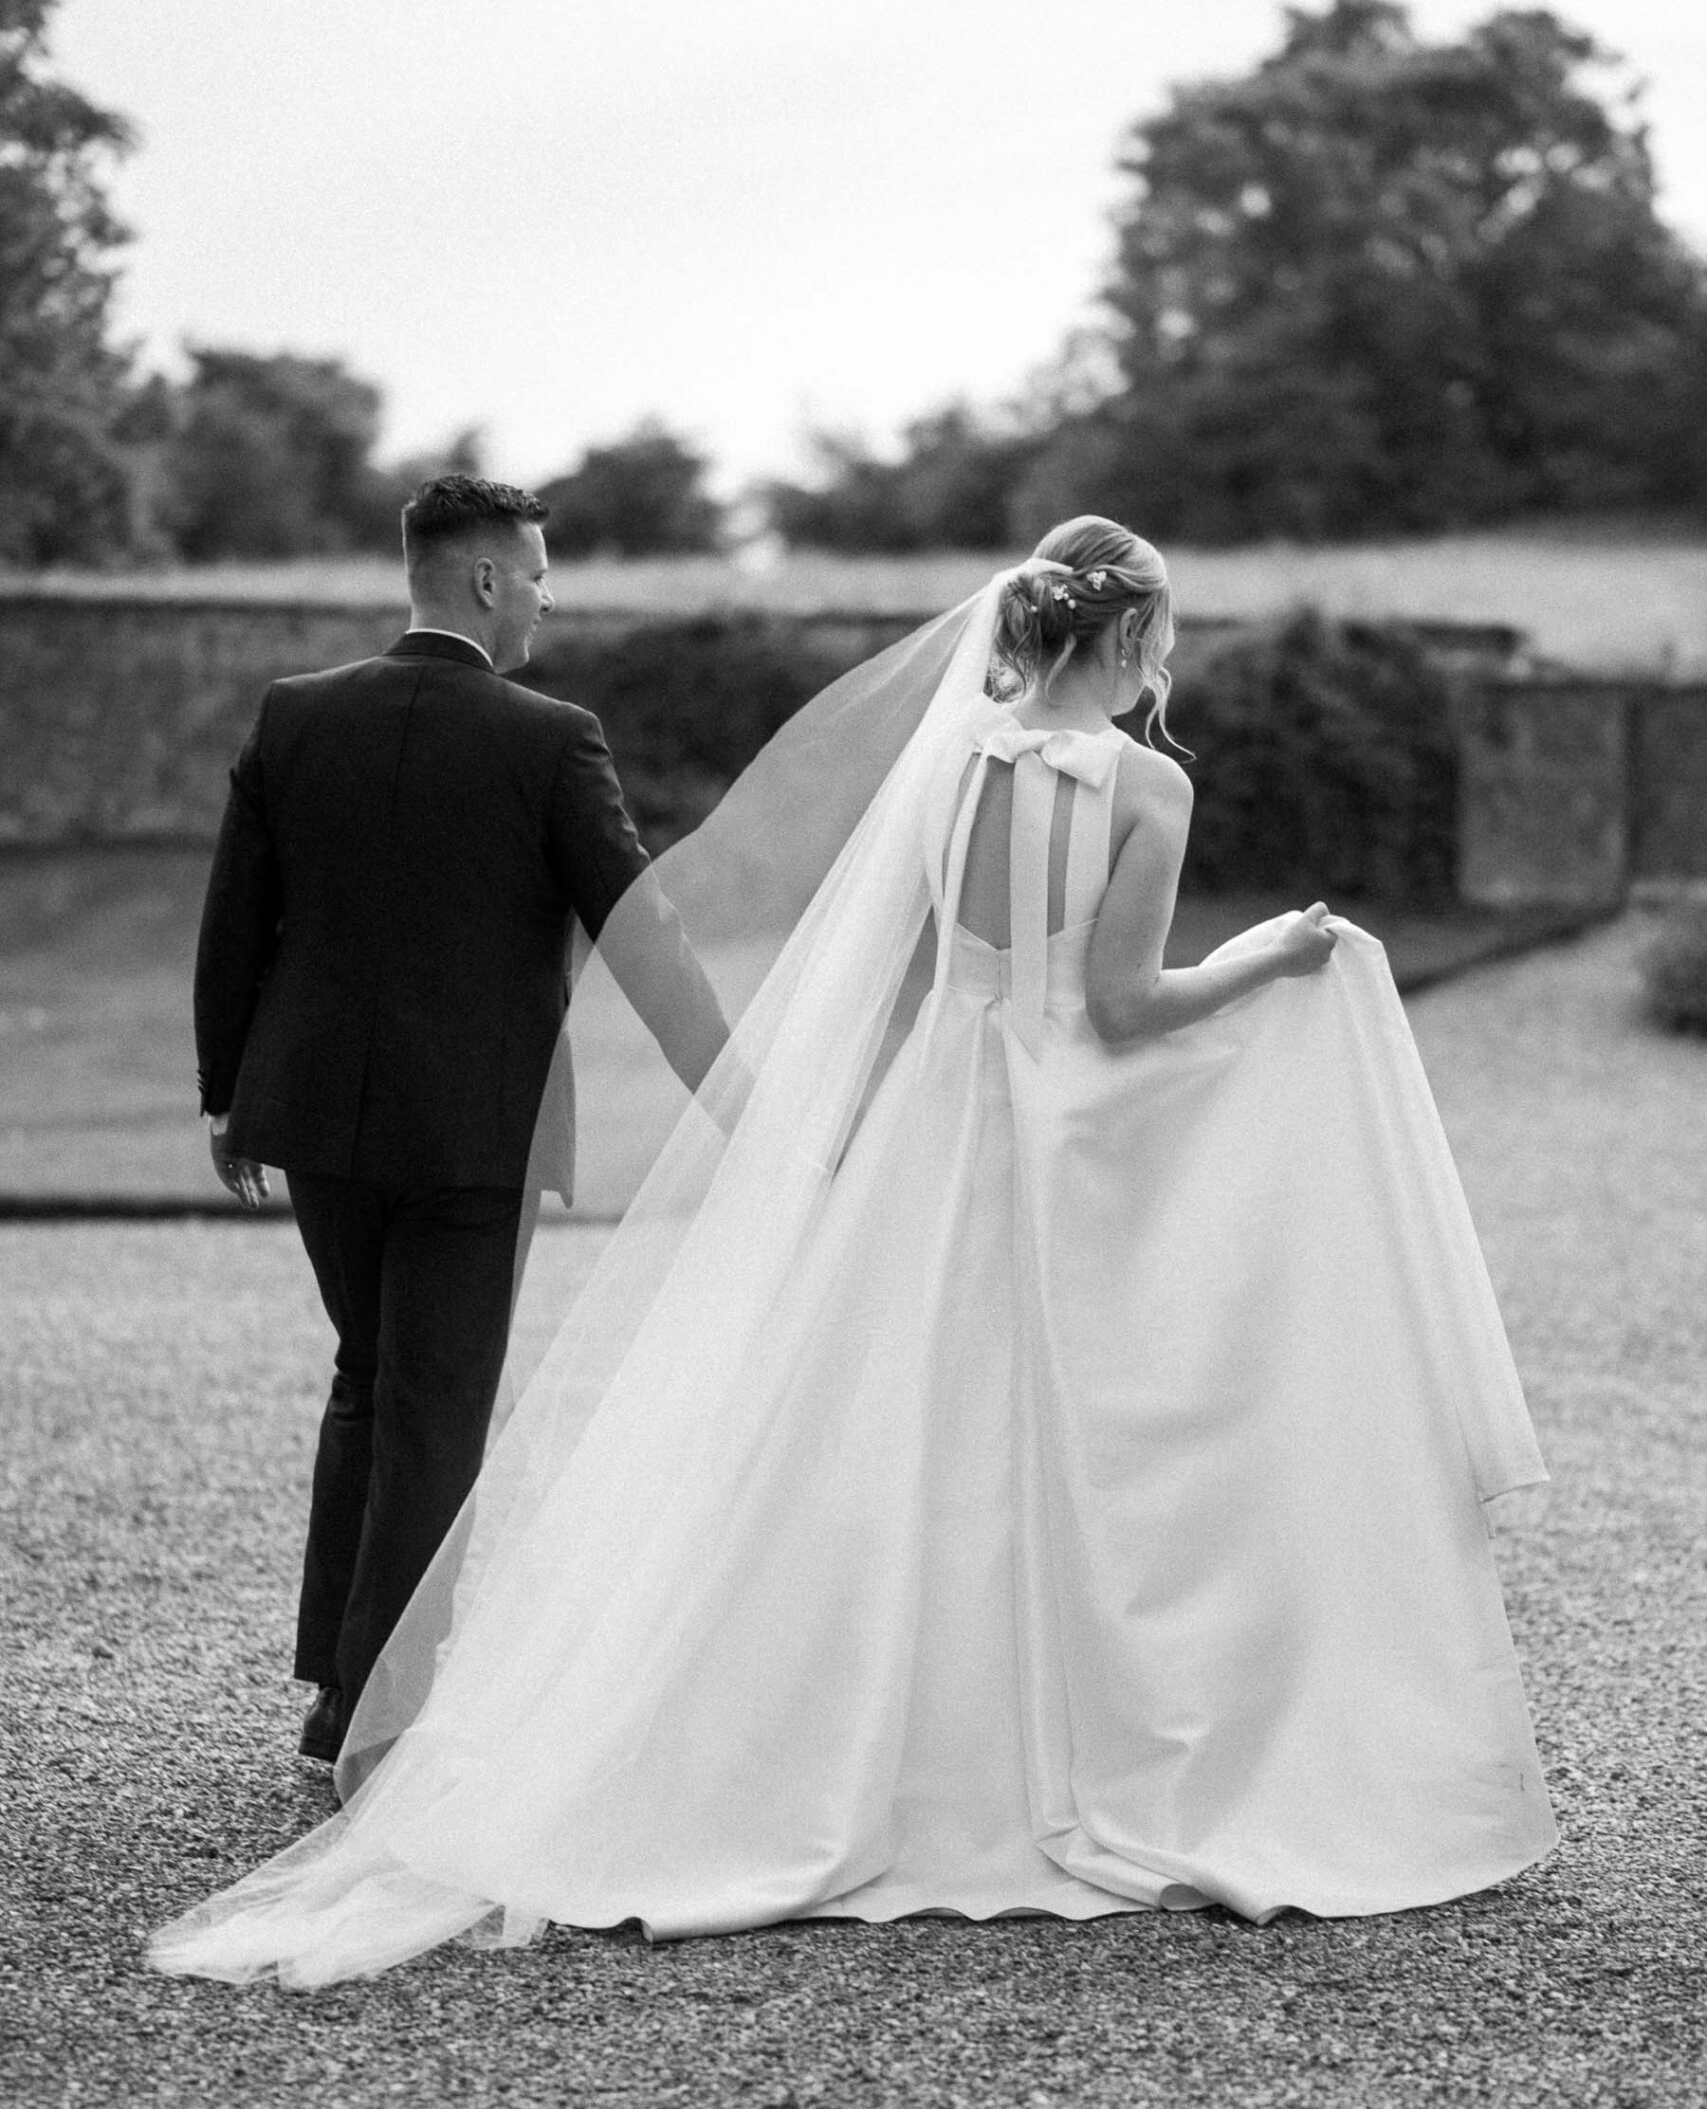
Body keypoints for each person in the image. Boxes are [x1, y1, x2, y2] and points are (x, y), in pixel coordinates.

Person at [153, 515, 1555, 1986]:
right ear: (1135, 639)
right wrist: (1275, 957)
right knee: (1100, 1423)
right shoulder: (1143, 784)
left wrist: (838, 1133)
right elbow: (1128, 1008)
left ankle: (790, 1729)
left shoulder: (948, 764)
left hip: (937, 1120)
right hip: (1062, 1131)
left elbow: (896, 979)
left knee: (870, 1418)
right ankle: (1081, 1742)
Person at [191, 474, 728, 1766]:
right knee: (434, 1403)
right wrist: (734, 1084)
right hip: (474, 1137)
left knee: (368, 1379)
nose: (547, 596)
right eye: (538, 573)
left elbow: (234, 924)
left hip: (317, 1119)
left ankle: (336, 1686)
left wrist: (226, 1093)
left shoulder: (296, 718)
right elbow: (639, 933)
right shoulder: (552, 741)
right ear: (486, 580)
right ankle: (373, 1712)